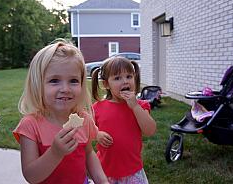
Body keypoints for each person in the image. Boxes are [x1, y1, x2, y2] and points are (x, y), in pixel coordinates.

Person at [13, 39, 109, 184]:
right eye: (54, 80)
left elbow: (89, 153)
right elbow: (31, 176)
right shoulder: (30, 126)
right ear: (38, 84)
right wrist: (55, 153)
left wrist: (102, 181)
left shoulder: (82, 119)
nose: (65, 89)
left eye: (73, 81)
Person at [91, 56, 157, 184]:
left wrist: (135, 107)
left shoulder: (141, 106)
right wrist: (96, 134)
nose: (125, 81)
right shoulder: (98, 107)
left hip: (133, 171)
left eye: (129, 76)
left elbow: (150, 130)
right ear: (106, 84)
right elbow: (86, 130)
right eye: (117, 78)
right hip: (105, 171)